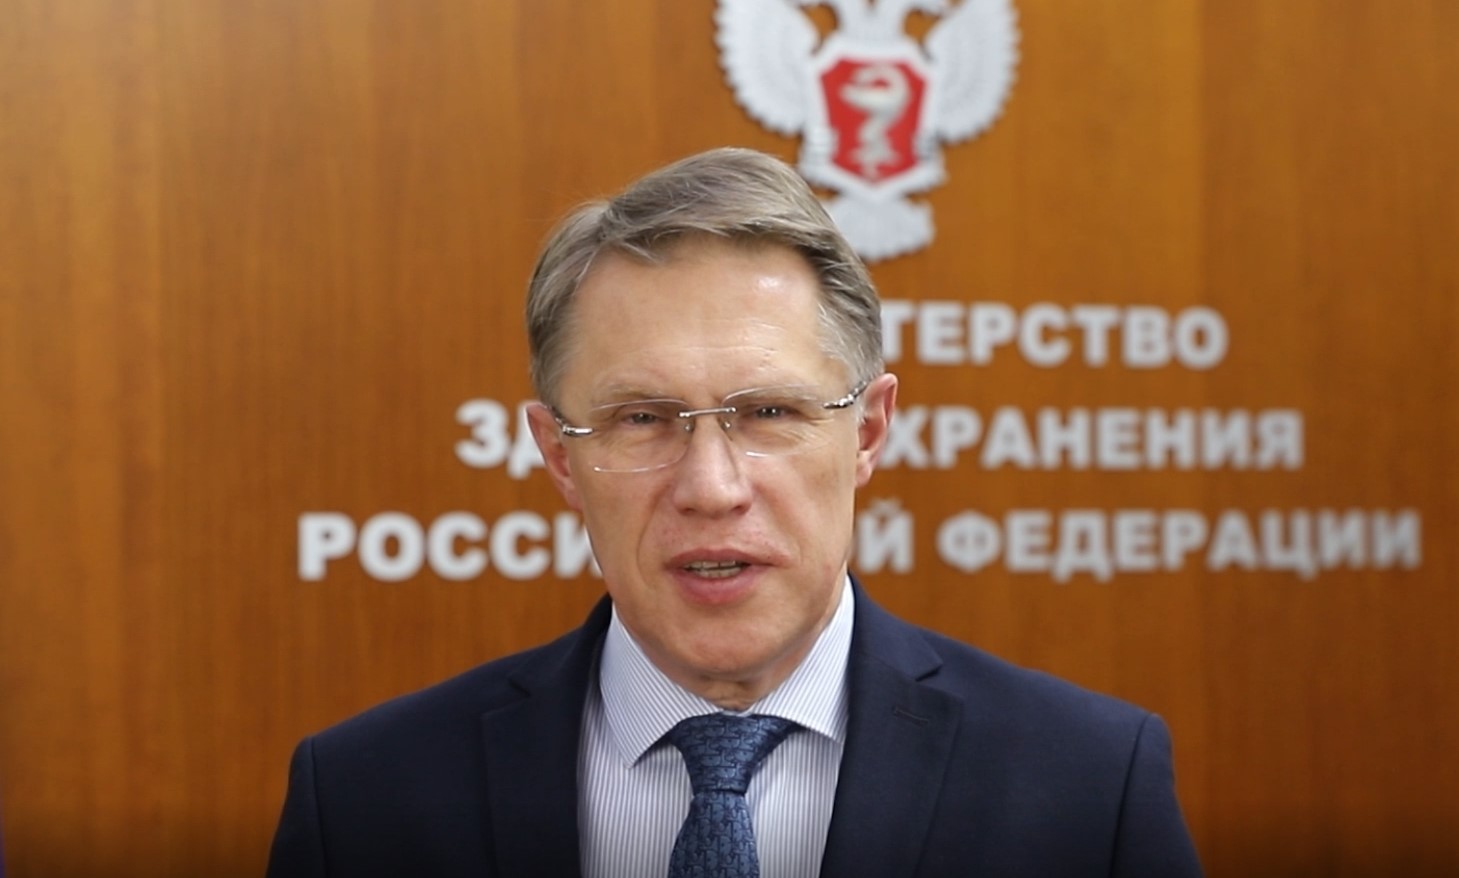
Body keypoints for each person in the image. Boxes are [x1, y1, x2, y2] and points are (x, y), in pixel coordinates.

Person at [266, 147, 1203, 877]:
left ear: (868, 431)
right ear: (558, 455)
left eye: (770, 414)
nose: (711, 487)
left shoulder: (1087, 786)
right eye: (642, 418)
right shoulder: (362, 803)